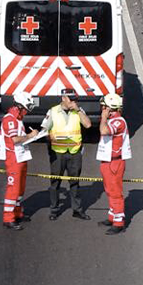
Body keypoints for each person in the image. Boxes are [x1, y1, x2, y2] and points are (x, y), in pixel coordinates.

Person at [42, 88, 92, 221]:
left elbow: (87, 124)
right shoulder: (53, 111)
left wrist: (78, 110)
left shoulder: (78, 111)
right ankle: (54, 209)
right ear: (63, 98)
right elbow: (44, 130)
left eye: (75, 99)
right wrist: (51, 136)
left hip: (74, 152)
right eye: (71, 99)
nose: (74, 102)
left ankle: (77, 209)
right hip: (58, 153)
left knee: (74, 182)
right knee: (55, 182)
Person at [0, 91, 39, 231]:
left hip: (22, 156)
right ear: (19, 106)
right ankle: (8, 218)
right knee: (13, 189)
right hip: (14, 158)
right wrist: (30, 135)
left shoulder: (18, 119)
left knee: (20, 188)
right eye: (26, 108)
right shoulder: (10, 119)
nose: (27, 111)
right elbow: (15, 139)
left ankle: (17, 212)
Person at [96, 93, 131, 235]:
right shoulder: (112, 120)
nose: (102, 109)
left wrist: (104, 117)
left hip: (114, 162)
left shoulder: (118, 121)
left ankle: (118, 222)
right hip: (107, 161)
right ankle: (112, 216)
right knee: (109, 190)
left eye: (104, 107)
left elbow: (104, 131)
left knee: (116, 193)